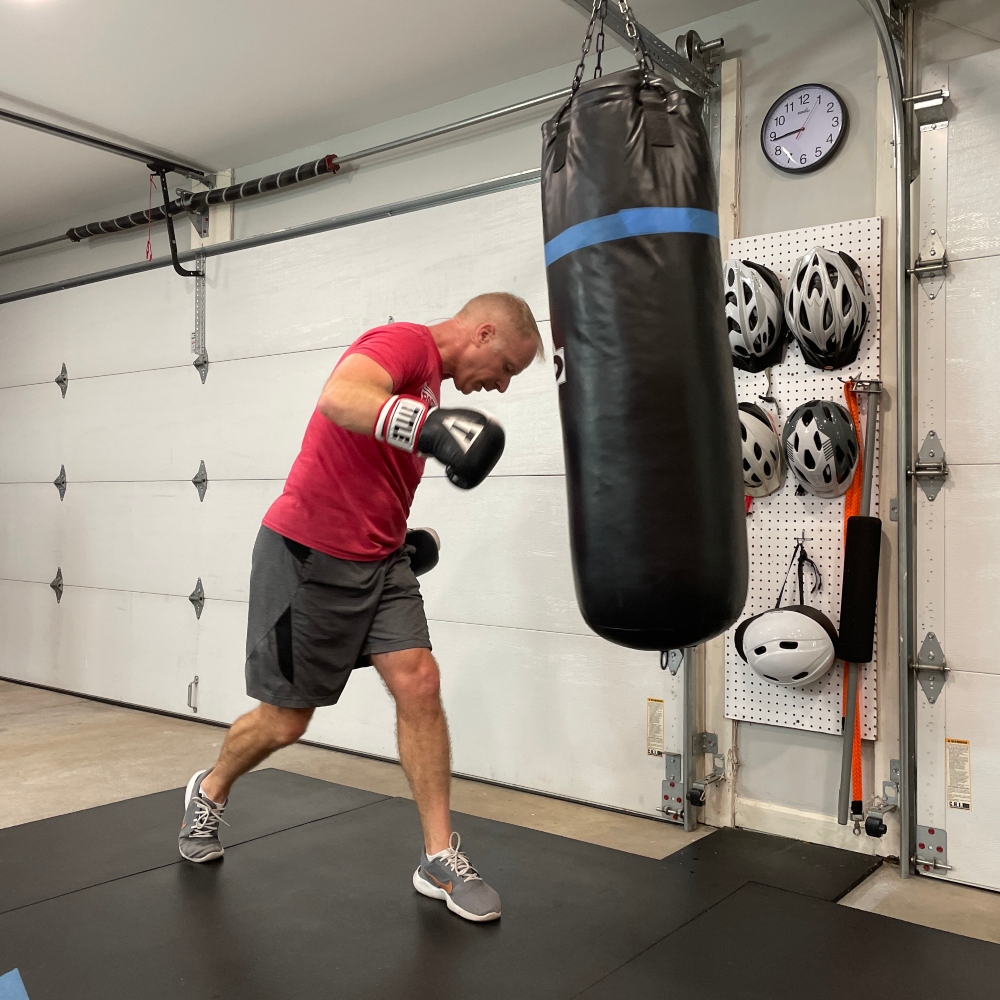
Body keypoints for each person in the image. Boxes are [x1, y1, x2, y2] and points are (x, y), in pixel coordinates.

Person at [178, 292, 543, 923]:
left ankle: (437, 856)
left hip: (378, 561)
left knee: (419, 680)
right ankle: (209, 791)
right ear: (482, 334)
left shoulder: (430, 386)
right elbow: (341, 397)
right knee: (286, 722)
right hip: (307, 557)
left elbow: (367, 471)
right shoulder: (405, 344)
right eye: (507, 367)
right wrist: (430, 431)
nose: (503, 386)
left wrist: (402, 539)